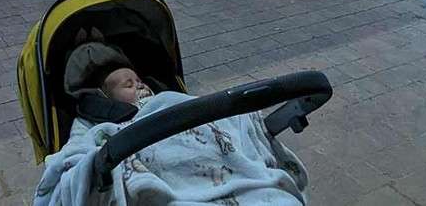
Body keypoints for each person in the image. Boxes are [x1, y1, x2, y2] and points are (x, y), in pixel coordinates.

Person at [34, 41, 309, 205]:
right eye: (128, 85)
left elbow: (206, 118)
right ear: (105, 97)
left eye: (139, 80)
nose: (139, 86)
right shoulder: (97, 122)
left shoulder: (167, 100)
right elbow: (74, 157)